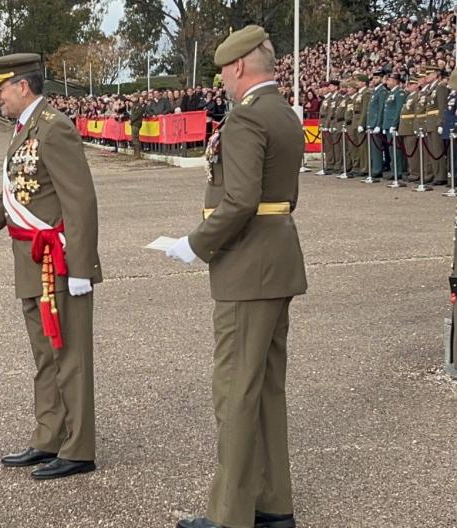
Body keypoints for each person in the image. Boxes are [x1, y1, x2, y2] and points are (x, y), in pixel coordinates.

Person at [166, 25, 306, 528]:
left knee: (235, 391)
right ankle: (272, 503)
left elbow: (241, 200)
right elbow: (281, 196)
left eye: (224, 69)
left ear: (240, 66)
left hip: (247, 267)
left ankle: (231, 516)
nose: (222, 78)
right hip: (278, 259)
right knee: (265, 389)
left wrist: (195, 244)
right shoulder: (286, 114)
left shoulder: (247, 118)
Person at [0, 53, 102, 481]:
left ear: (22, 86)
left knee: (69, 356)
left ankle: (79, 448)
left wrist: (80, 267)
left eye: (0, 90)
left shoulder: (54, 127)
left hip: (58, 263)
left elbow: (80, 199)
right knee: (46, 357)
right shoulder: (25, 129)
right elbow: (20, 196)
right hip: (31, 262)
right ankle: (49, 437)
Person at [383, 73, 407, 181]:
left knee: (396, 150)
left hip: (394, 125)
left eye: (389, 80)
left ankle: (398, 171)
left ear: (395, 81)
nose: (387, 82)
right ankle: (394, 171)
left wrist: (394, 124)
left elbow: (398, 110)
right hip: (388, 125)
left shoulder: (399, 93)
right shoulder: (390, 93)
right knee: (391, 150)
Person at [366, 70, 388, 180]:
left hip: (376, 124)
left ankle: (377, 169)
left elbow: (380, 109)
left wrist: (378, 124)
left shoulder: (382, 91)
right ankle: (374, 167)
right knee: (373, 148)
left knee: (377, 148)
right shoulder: (375, 91)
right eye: (373, 78)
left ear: (381, 78)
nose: (374, 80)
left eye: (376, 78)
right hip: (372, 123)